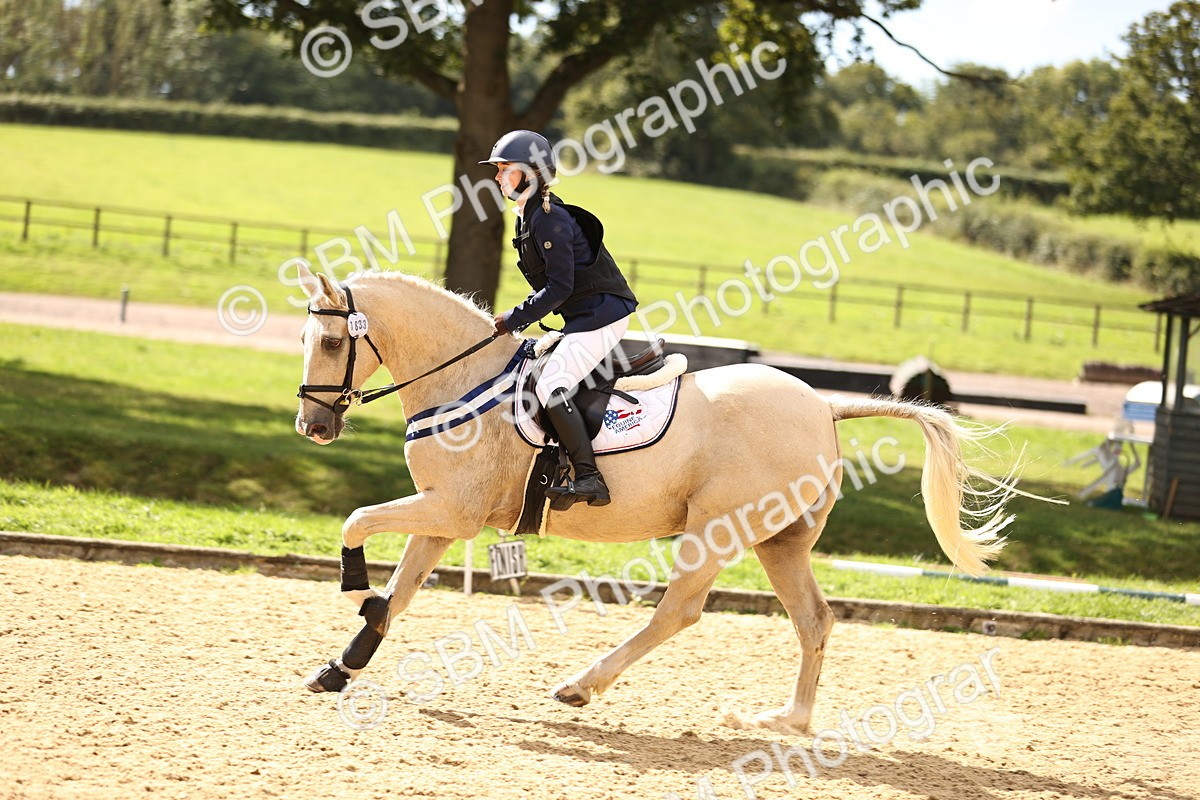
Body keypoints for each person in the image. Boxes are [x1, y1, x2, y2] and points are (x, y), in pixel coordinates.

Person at [481, 130, 638, 508]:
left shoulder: (549, 220)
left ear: (530, 173)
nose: (498, 178)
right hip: (582, 317)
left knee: (552, 385)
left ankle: (589, 477)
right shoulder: (529, 217)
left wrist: (512, 319)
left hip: (601, 316)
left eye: (505, 170)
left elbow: (559, 288)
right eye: (498, 171)